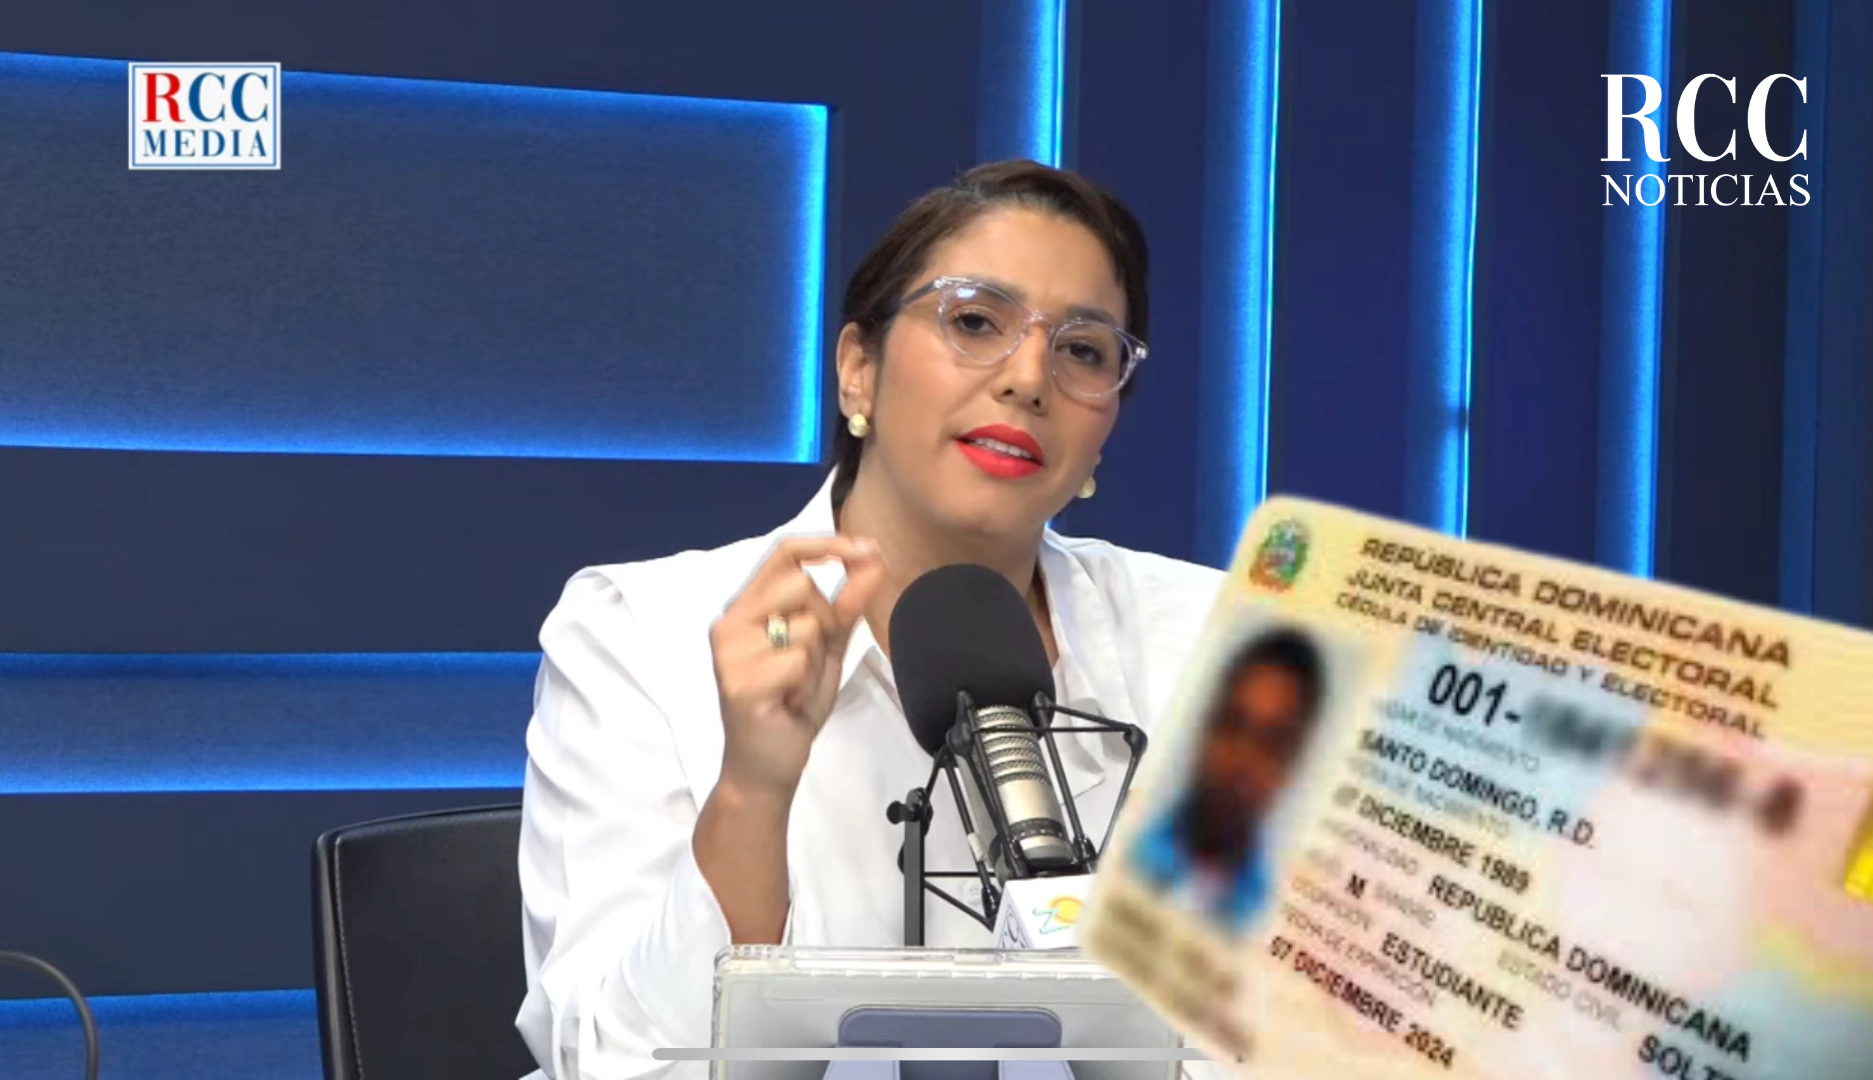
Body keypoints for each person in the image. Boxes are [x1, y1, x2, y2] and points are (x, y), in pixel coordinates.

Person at [514, 159, 1226, 1080]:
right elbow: (608, 1060)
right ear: (859, 370)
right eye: (975, 321)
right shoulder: (641, 634)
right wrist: (752, 792)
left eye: (1084, 350)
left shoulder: (1214, 641)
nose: (1028, 378)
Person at [1128, 627, 1326, 936]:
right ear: (1207, 727)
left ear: (1292, 764)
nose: (1241, 760)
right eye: (1232, 724)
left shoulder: (1271, 925)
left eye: (1272, 743)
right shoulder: (1124, 850)